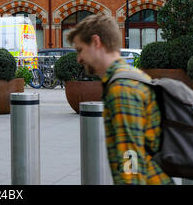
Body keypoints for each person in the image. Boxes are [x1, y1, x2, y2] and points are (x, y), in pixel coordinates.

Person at [67, 14, 174, 185]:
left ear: (96, 42)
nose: (79, 59)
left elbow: (130, 158)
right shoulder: (132, 77)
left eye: (80, 50)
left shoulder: (121, 88)